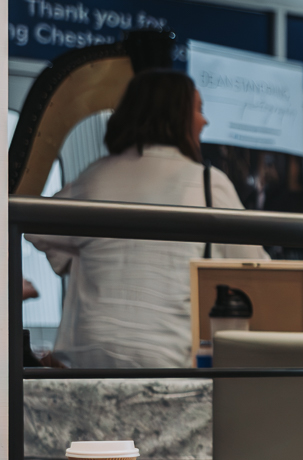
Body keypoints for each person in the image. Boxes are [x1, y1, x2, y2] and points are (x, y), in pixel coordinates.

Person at [25, 70, 269, 368]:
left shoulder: (94, 178)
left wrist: (77, 259)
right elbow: (257, 266)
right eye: (198, 109)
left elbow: (35, 230)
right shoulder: (208, 184)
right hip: (166, 358)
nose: (204, 121)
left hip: (88, 357)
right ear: (175, 116)